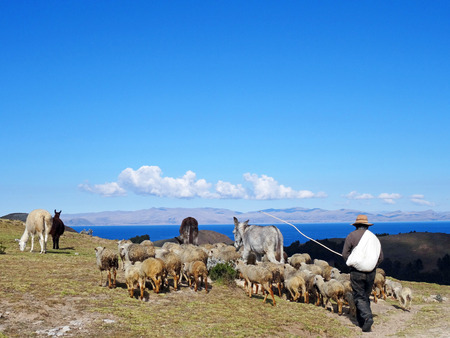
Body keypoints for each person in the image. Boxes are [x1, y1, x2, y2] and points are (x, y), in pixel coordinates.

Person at [342, 214, 383, 332]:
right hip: (371, 272)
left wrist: (352, 263)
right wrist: (372, 266)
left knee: (359, 296)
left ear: (356, 225)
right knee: (365, 295)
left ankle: (367, 318)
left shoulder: (351, 236)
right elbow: (380, 257)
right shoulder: (374, 238)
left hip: (356, 272)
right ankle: (363, 323)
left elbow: (345, 254)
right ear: (367, 226)